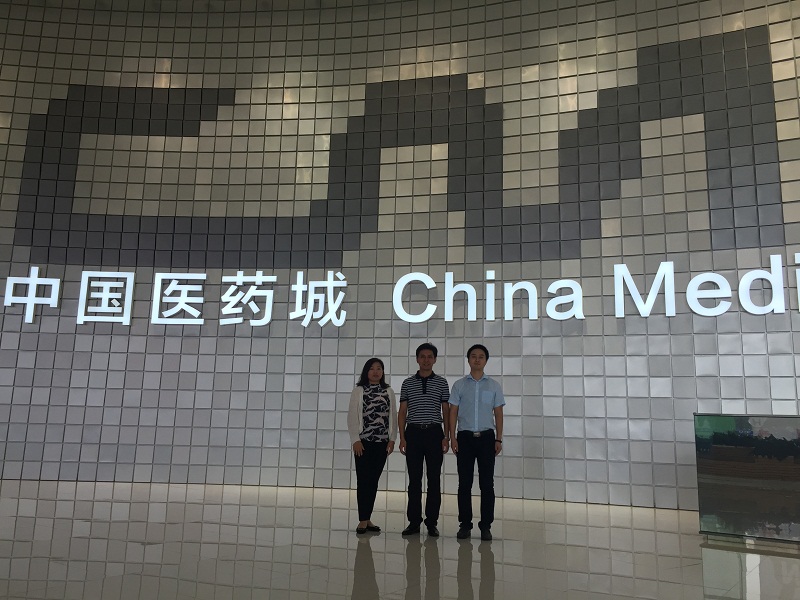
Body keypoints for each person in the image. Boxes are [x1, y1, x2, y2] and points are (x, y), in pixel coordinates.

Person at [448, 344, 504, 541]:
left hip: (487, 438)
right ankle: (465, 525)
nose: (477, 359)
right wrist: (452, 437)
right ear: (468, 360)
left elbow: (498, 413)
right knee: (464, 483)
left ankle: (486, 526)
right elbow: (453, 412)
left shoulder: (494, 386)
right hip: (464, 438)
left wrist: (498, 438)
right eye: (473, 356)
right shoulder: (459, 385)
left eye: (481, 356)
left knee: (487, 484)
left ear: (486, 360)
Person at [398, 342, 450, 537]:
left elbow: (446, 411)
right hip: (413, 433)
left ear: (435, 359)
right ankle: (413, 522)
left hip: (434, 433)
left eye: (430, 357)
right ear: (417, 359)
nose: (426, 360)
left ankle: (431, 522)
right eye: (422, 356)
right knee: (414, 480)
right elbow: (402, 411)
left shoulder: (442, 383)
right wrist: (402, 437)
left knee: (434, 480)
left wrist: (446, 436)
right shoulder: (407, 383)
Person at [348, 357, 398, 534]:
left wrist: (392, 439)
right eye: (372, 368)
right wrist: (355, 439)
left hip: (382, 443)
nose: (376, 371)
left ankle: (367, 518)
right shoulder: (359, 391)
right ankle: (362, 520)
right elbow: (352, 416)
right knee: (363, 480)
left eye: (379, 368)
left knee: (373, 481)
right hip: (363, 443)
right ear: (366, 372)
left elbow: (393, 416)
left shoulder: (388, 391)